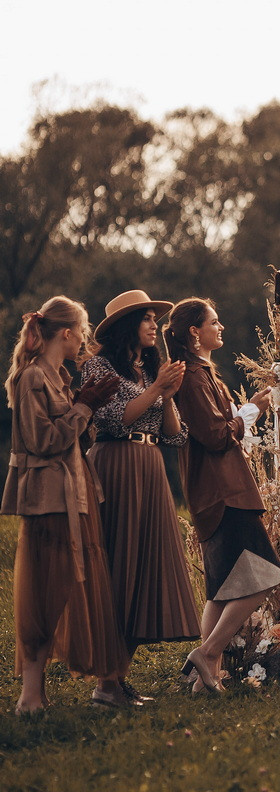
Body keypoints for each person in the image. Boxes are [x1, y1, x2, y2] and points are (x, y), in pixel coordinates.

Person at [3, 296, 130, 712]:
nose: (85, 339)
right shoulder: (32, 378)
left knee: (68, 590)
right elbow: (43, 442)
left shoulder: (58, 377)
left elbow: (74, 439)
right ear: (66, 332)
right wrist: (82, 408)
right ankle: (30, 696)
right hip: (48, 501)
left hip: (76, 496)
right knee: (45, 594)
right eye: (83, 330)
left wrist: (86, 409)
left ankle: (50, 692)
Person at [81, 290, 201, 702]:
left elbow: (176, 434)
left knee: (144, 565)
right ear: (125, 326)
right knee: (118, 565)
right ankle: (106, 683)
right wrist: (156, 392)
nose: (154, 326)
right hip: (115, 466)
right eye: (147, 318)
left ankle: (117, 678)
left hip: (150, 470)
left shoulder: (149, 371)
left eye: (154, 318)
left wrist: (166, 392)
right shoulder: (98, 366)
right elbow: (112, 419)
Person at [165, 298, 280, 693]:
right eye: (214, 322)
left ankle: (204, 679)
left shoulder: (203, 375)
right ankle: (208, 652)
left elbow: (219, 429)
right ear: (194, 332)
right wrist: (250, 409)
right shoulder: (195, 378)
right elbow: (216, 436)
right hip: (225, 492)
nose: (222, 328)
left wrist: (247, 413)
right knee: (265, 576)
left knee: (221, 589)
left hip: (213, 491)